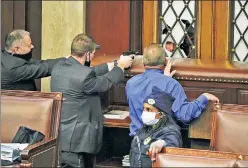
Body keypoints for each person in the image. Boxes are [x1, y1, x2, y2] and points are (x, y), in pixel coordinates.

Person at [50, 33, 133, 168]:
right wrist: (120, 68)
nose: (94, 56)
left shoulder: (60, 67)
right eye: (93, 53)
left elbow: (87, 72)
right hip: (77, 141)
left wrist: (113, 64)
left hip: (62, 136)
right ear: (87, 54)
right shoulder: (84, 75)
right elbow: (104, 82)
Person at [126, 43, 219, 137]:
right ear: (166, 61)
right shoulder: (171, 84)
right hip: (161, 142)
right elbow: (185, 115)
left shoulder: (131, 83)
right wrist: (204, 98)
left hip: (137, 142)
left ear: (143, 61)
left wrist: (165, 80)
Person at [129, 86, 182, 167]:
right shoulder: (148, 127)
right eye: (144, 109)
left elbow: (172, 143)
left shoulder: (170, 130)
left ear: (161, 114)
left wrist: (161, 143)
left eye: (149, 110)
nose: (145, 112)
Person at [1, 29, 66, 91]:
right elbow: (44, 69)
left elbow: (39, 63)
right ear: (17, 49)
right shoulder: (13, 69)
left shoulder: (6, 55)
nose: (32, 46)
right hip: (18, 101)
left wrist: (64, 59)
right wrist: (69, 60)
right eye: (29, 45)